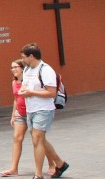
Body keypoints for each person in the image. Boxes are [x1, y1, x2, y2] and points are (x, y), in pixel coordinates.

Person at [18, 43, 69, 179]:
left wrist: (31, 93)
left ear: (32, 56)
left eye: (24, 57)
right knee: (40, 140)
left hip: (44, 109)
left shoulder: (46, 70)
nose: (22, 59)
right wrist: (23, 91)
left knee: (37, 139)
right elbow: (25, 86)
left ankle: (38, 174)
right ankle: (60, 163)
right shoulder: (27, 70)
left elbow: (51, 93)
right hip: (31, 109)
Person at [0, 59, 55, 177]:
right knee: (17, 138)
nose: (13, 70)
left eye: (16, 67)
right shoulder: (14, 82)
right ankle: (14, 168)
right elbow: (15, 99)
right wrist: (13, 114)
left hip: (32, 111)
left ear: (22, 68)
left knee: (39, 140)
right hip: (20, 113)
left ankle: (52, 164)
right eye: (11, 67)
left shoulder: (29, 81)